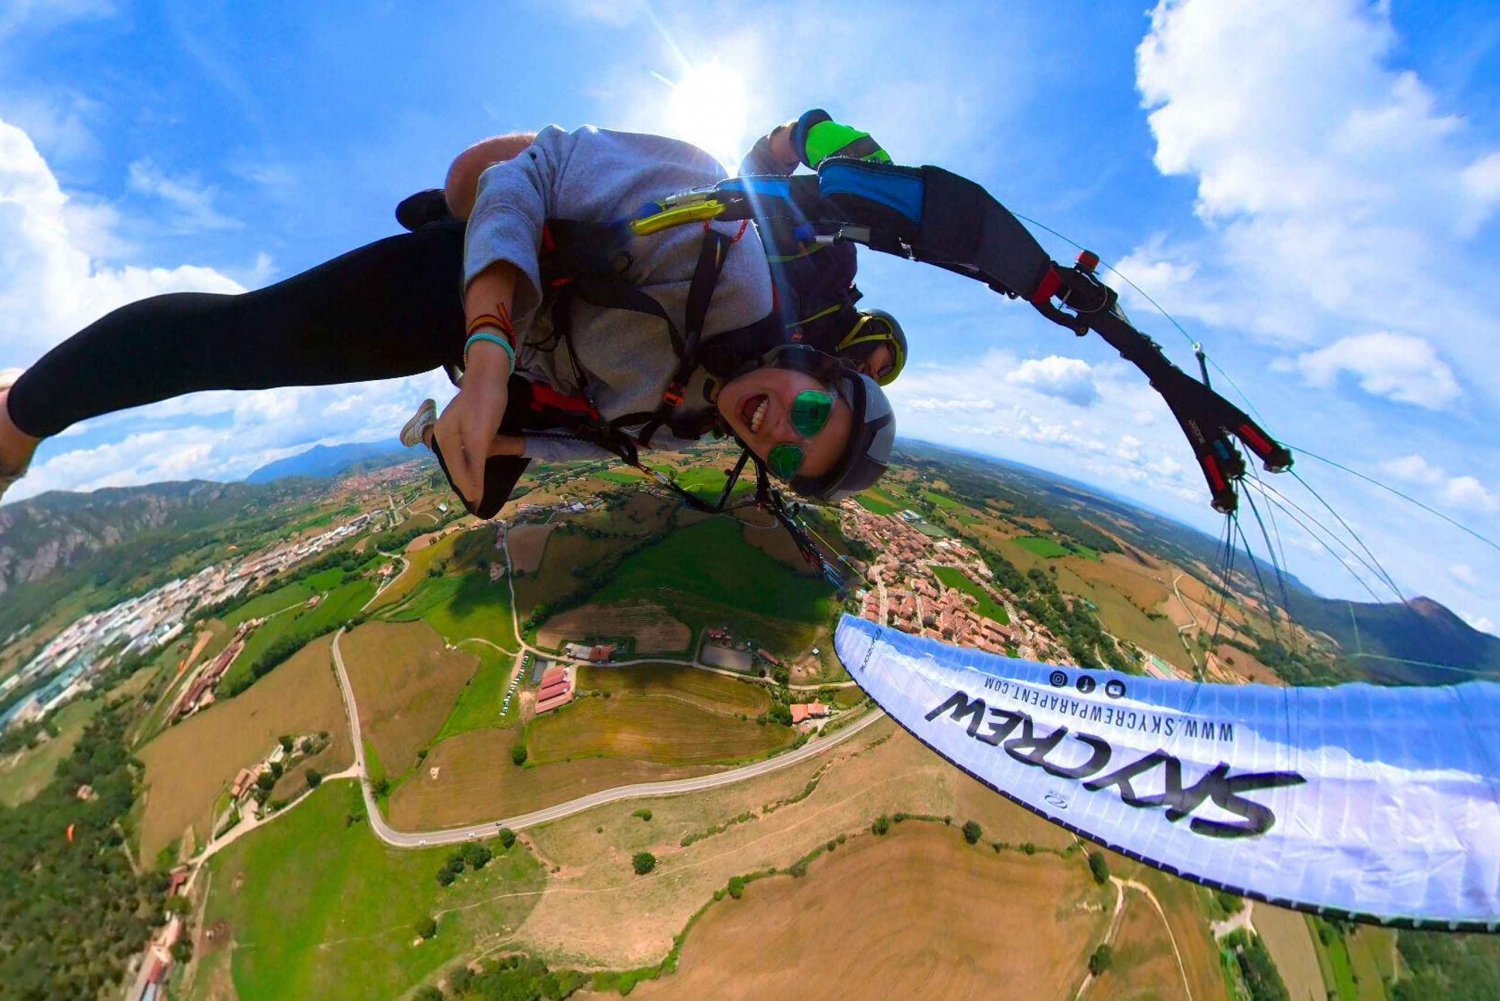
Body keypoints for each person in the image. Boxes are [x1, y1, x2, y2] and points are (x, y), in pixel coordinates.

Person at [0, 124, 895, 519]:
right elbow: (530, 176)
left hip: (503, 358)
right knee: (245, 341)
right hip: (475, 297)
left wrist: (491, 450)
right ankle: (19, 418)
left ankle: (451, 242)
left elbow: (602, 441)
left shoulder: (697, 422)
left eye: (784, 457)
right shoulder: (719, 236)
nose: (776, 430)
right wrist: (488, 354)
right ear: (814, 367)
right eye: (808, 415)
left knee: (481, 495)